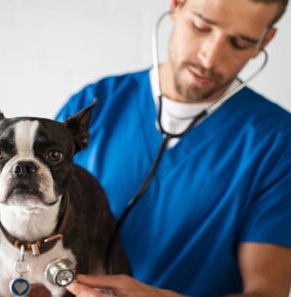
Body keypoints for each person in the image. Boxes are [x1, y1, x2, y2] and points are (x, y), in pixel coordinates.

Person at [56, 0, 291, 296]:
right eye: (201, 26)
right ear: (177, 5)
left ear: (265, 41)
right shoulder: (93, 105)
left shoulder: (277, 142)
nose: (210, 57)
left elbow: (268, 291)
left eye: (240, 43)